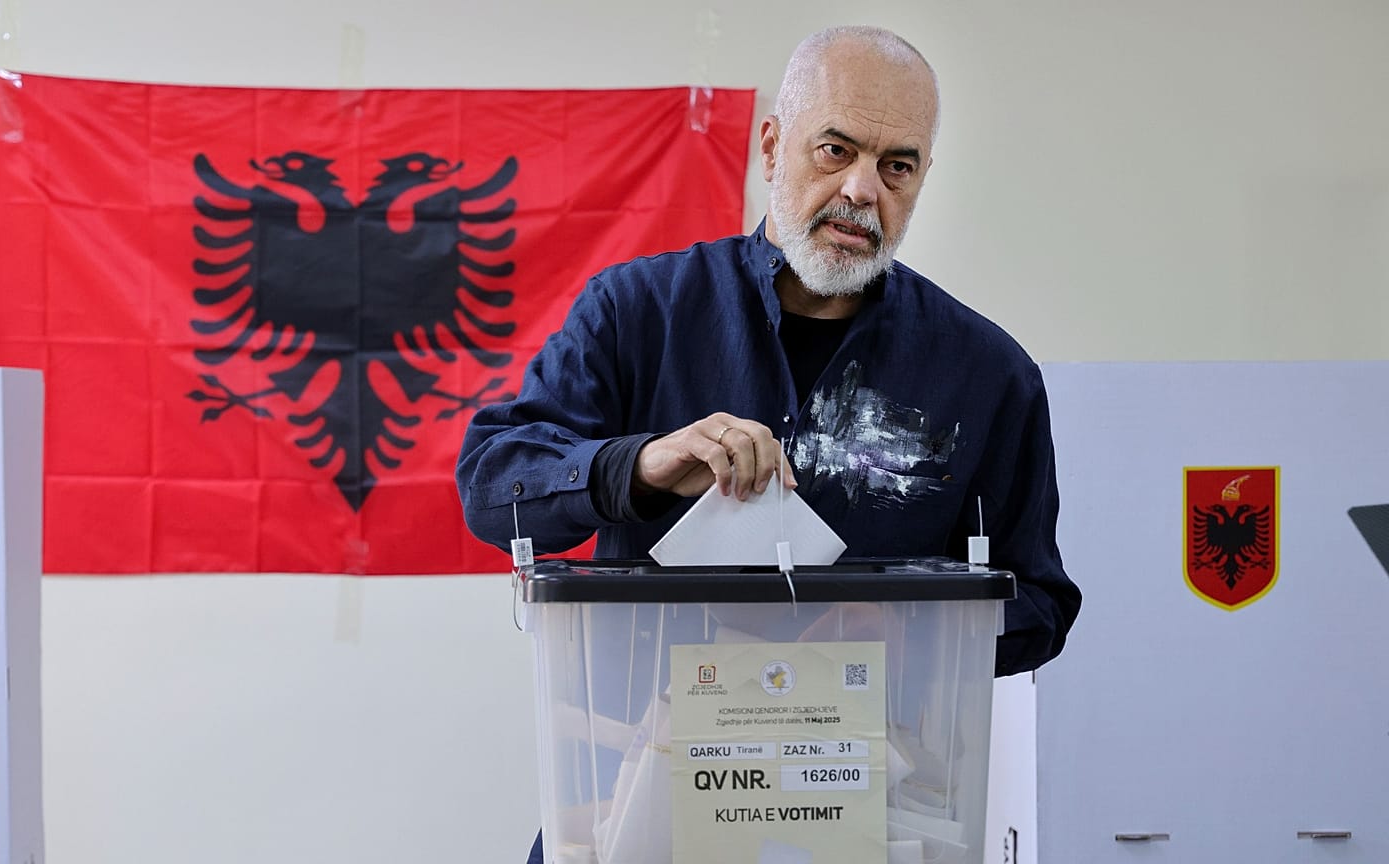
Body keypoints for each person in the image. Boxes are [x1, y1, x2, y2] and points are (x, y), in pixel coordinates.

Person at [456, 24, 1081, 864]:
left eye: (897, 165)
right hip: (633, 816)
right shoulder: (639, 314)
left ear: (923, 178)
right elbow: (493, 485)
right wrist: (635, 467)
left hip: (873, 820)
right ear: (772, 145)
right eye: (836, 149)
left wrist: (920, 629)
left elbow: (1043, 602)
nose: (863, 190)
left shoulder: (987, 376)